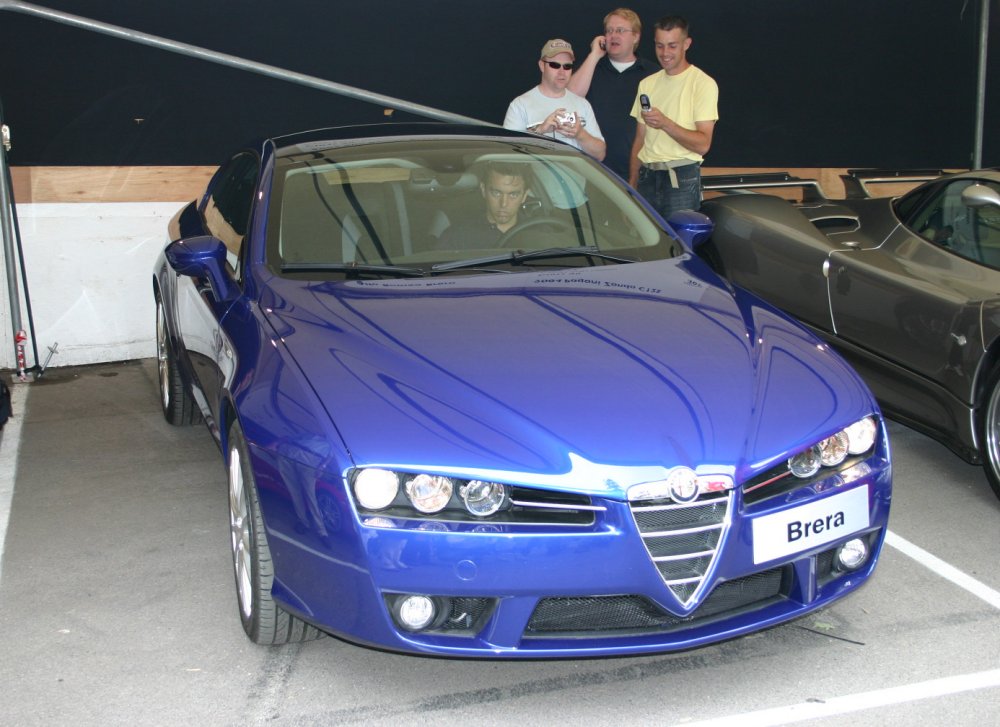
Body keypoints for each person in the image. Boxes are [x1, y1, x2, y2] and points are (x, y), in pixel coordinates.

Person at [628, 16, 718, 218]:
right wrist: (632, 183)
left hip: (682, 177)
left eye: (672, 46)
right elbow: (640, 139)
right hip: (647, 177)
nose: (664, 53)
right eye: (659, 46)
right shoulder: (647, 84)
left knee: (681, 244)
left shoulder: (703, 83)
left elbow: (703, 144)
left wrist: (666, 124)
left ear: (686, 44)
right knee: (649, 247)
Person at [567, 8, 659, 179]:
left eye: (620, 30)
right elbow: (569, 97)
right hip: (594, 168)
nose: (613, 35)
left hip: (640, 170)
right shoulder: (593, 68)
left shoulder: (653, 73)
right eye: (609, 31)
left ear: (636, 37)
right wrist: (594, 55)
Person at [504, 39, 607, 161]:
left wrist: (580, 134)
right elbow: (507, 154)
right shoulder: (520, 105)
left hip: (576, 180)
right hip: (534, 179)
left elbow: (600, 154)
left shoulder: (582, 104)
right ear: (542, 65)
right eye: (555, 65)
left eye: (567, 66)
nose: (562, 72)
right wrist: (540, 131)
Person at [437, 161, 531, 249]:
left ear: (524, 196)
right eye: (496, 193)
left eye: (513, 195)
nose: (504, 203)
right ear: (483, 190)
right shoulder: (457, 236)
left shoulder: (538, 232)